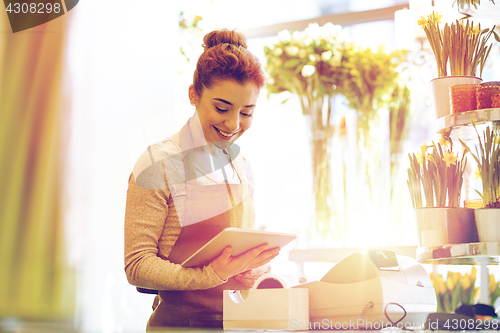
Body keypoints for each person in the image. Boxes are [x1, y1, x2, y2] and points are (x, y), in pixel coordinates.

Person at [124, 29, 279, 329]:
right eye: (221, 108)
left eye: (246, 112)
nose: (233, 124)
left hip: (238, 323)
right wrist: (210, 275)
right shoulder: (157, 165)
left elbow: (236, 253)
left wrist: (250, 269)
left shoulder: (241, 166)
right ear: (194, 95)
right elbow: (137, 265)